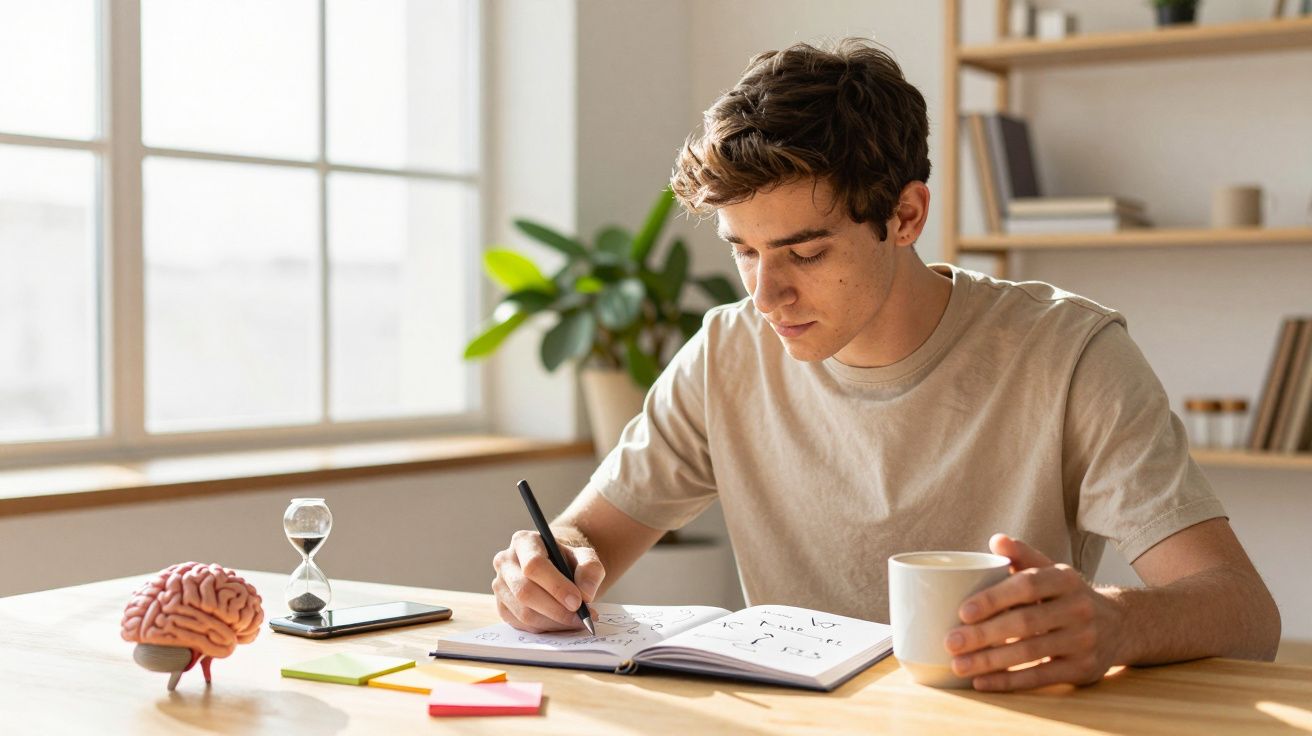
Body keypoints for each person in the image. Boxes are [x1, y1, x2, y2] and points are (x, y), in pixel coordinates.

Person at [490, 38, 1280, 691]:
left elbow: (1245, 612)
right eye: (744, 252)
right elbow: (580, 541)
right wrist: (544, 569)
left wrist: (1114, 624)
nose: (767, 294)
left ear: (905, 215)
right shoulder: (726, 353)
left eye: (804, 251)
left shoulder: (1070, 355)